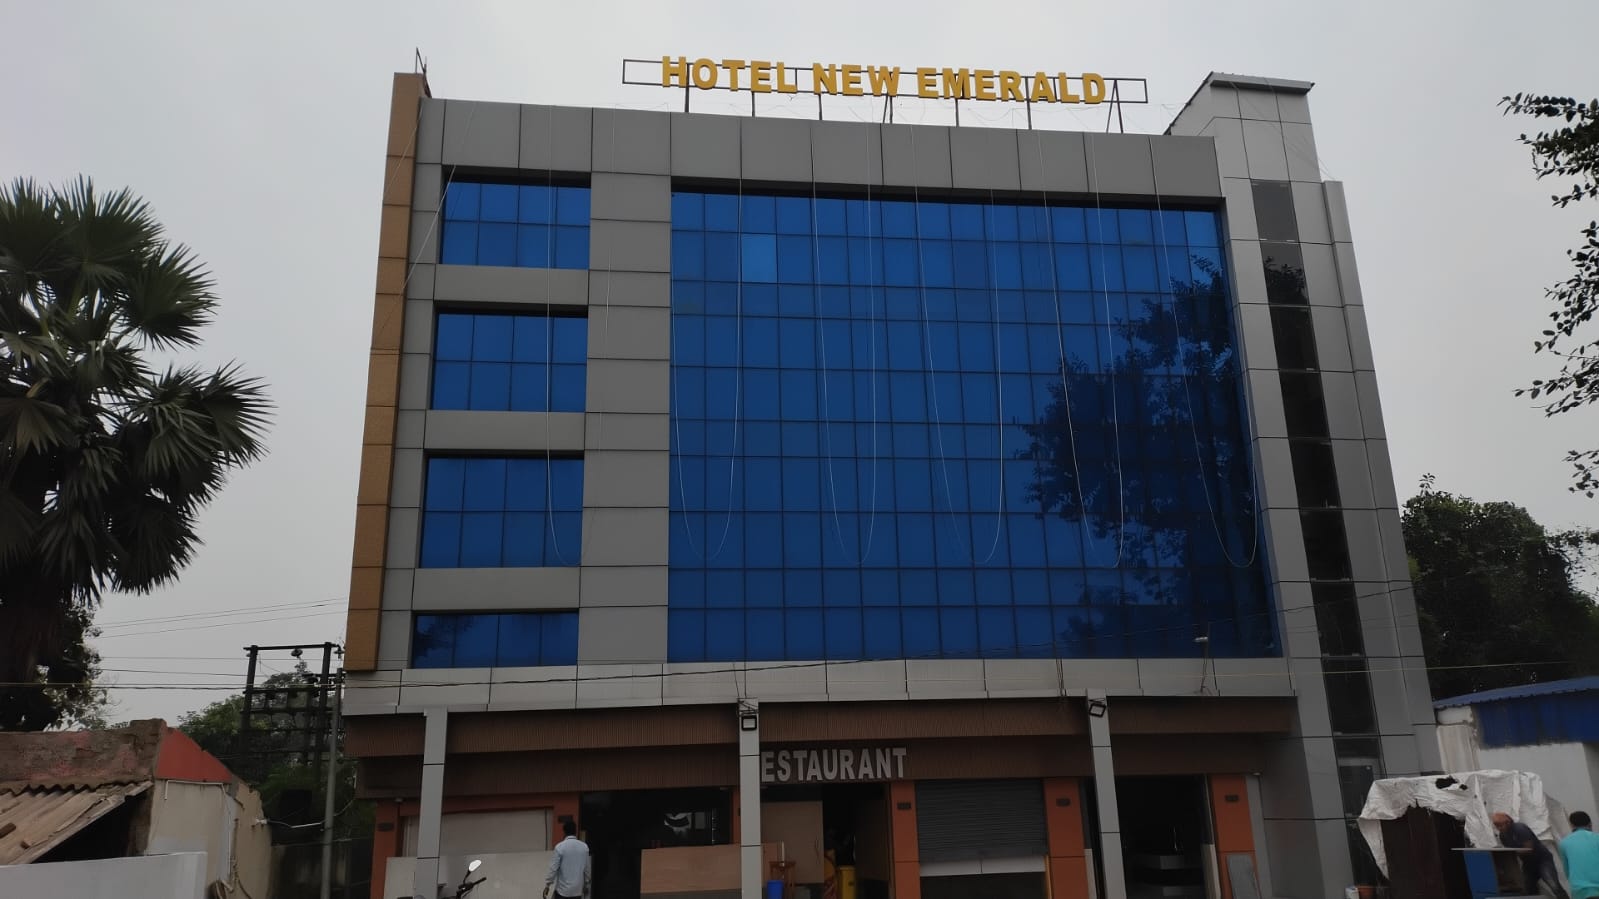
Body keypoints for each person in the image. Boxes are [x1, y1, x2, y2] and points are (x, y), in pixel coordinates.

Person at [1494, 811, 1569, 899]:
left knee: (1554, 885)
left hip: (1542, 860)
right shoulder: (1503, 835)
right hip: (1528, 863)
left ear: (1508, 822)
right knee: (1528, 889)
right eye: (1496, 826)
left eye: (1500, 825)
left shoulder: (1520, 828)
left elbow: (1529, 848)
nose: (1499, 828)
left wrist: (1512, 852)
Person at [544, 819, 591, 899]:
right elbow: (587, 869)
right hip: (577, 891)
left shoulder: (560, 847)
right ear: (575, 831)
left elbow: (553, 869)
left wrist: (548, 884)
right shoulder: (584, 847)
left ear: (564, 832)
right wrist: (586, 884)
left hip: (562, 892)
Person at [1561, 811, 1599, 899]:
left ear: (1572, 825)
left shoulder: (1564, 843)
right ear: (1590, 824)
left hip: (1579, 891)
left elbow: (1567, 871)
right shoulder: (1597, 838)